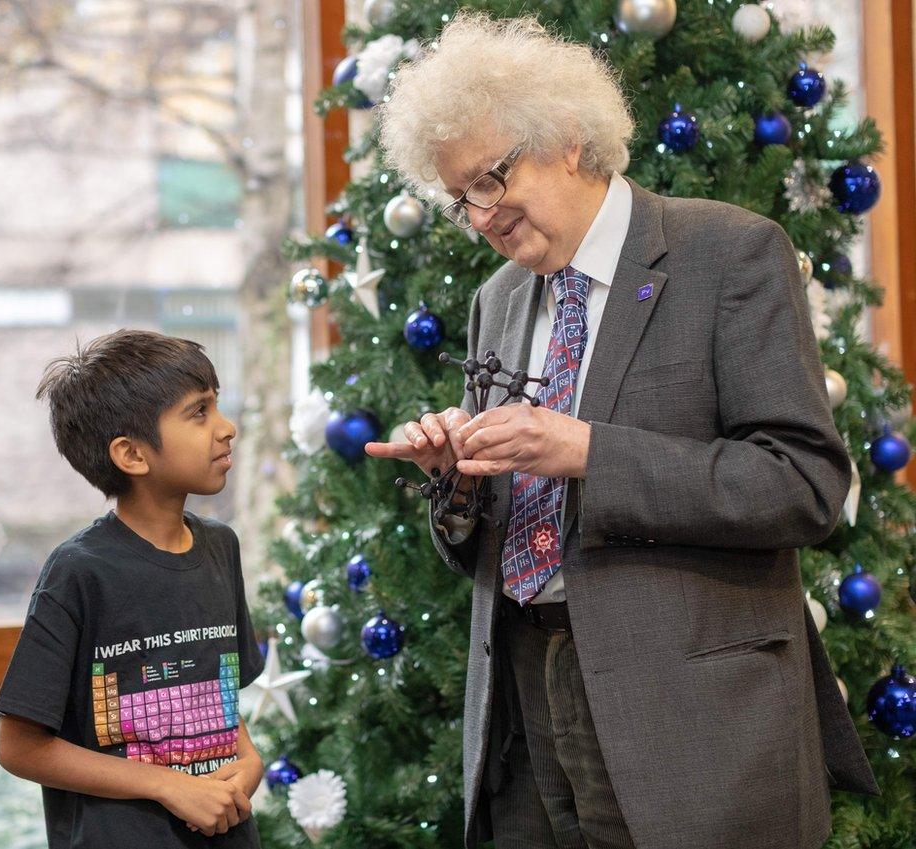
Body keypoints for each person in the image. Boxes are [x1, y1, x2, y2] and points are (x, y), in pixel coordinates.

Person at [367, 12, 878, 849]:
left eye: (492, 180)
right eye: (460, 199)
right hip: (524, 708)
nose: (482, 216)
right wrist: (459, 480)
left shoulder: (728, 254)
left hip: (689, 723)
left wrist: (587, 452)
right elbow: (494, 541)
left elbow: (804, 484)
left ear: (568, 138)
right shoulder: (496, 300)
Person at [0, 330, 265, 848]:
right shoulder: (78, 572)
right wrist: (167, 786)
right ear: (132, 455)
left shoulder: (221, 547)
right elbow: (20, 747)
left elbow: (219, 694)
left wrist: (247, 759)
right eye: (199, 412)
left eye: (217, 406)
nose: (226, 429)